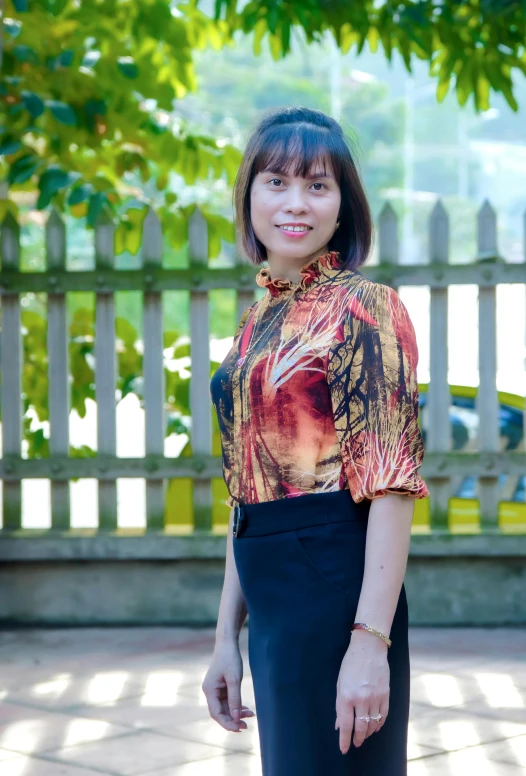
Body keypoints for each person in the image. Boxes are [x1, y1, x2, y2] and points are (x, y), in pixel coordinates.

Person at [204, 106, 429, 776]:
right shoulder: (257, 319)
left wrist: (369, 644)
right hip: (269, 592)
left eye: (318, 185)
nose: (295, 202)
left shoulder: (365, 306)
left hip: (335, 584)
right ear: (249, 197)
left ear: (343, 206)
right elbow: (246, 489)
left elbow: (391, 485)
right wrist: (225, 638)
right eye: (276, 182)